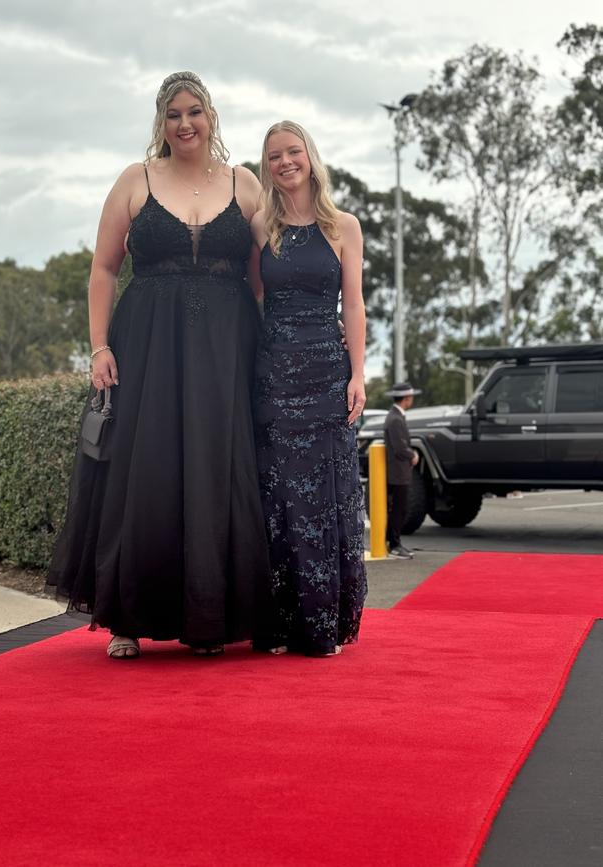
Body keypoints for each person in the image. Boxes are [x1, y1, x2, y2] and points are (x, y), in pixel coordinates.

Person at [46, 71, 271, 658]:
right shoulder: (133, 180)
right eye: (173, 114)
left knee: (219, 472)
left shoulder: (245, 185)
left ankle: (209, 618)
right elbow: (102, 270)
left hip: (228, 351)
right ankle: (126, 618)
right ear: (160, 122)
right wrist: (99, 346)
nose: (185, 123)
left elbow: (263, 279)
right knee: (145, 470)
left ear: (211, 116)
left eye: (194, 111)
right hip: (146, 345)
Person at [249, 120, 368, 657]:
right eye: (274, 156)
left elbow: (355, 304)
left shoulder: (344, 225)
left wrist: (359, 373)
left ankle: (323, 625)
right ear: (267, 166)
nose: (285, 162)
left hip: (327, 373)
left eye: (293, 152)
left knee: (325, 497)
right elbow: (253, 303)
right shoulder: (259, 227)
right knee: (278, 497)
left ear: (310, 157)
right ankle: (278, 623)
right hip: (274, 373)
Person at [384, 382, 421, 559]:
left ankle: (393, 543)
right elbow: (400, 447)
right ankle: (394, 545)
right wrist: (412, 455)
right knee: (399, 509)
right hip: (398, 472)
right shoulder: (396, 419)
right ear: (406, 399)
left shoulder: (394, 416)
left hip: (397, 471)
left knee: (398, 509)